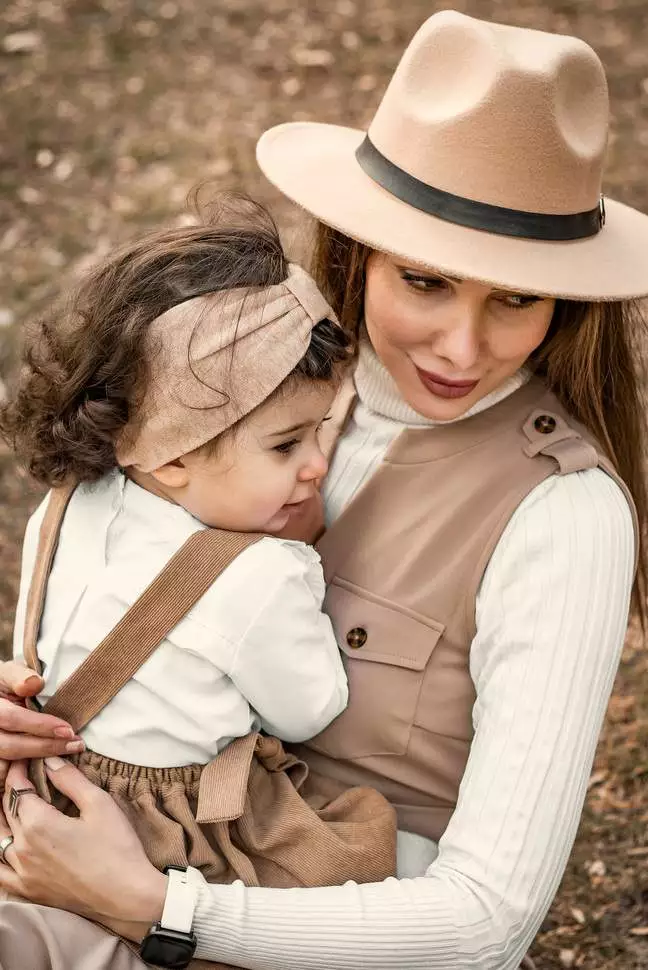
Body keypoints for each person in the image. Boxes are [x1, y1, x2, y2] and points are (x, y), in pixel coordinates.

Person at [0, 11, 648, 970]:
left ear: (565, 302)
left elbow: (485, 925)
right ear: (359, 250)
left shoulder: (562, 515)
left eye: (515, 298)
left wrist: (156, 906)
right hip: (112, 847)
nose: (460, 348)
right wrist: (53, 698)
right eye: (426, 283)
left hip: (310, 917)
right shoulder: (249, 384)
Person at [0, 194, 397, 961]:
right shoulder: (258, 573)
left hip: (42, 793)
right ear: (175, 454)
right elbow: (309, 709)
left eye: (319, 431)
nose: (316, 464)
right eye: (285, 445)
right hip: (172, 834)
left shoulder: (67, 501)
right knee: (353, 865)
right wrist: (304, 568)